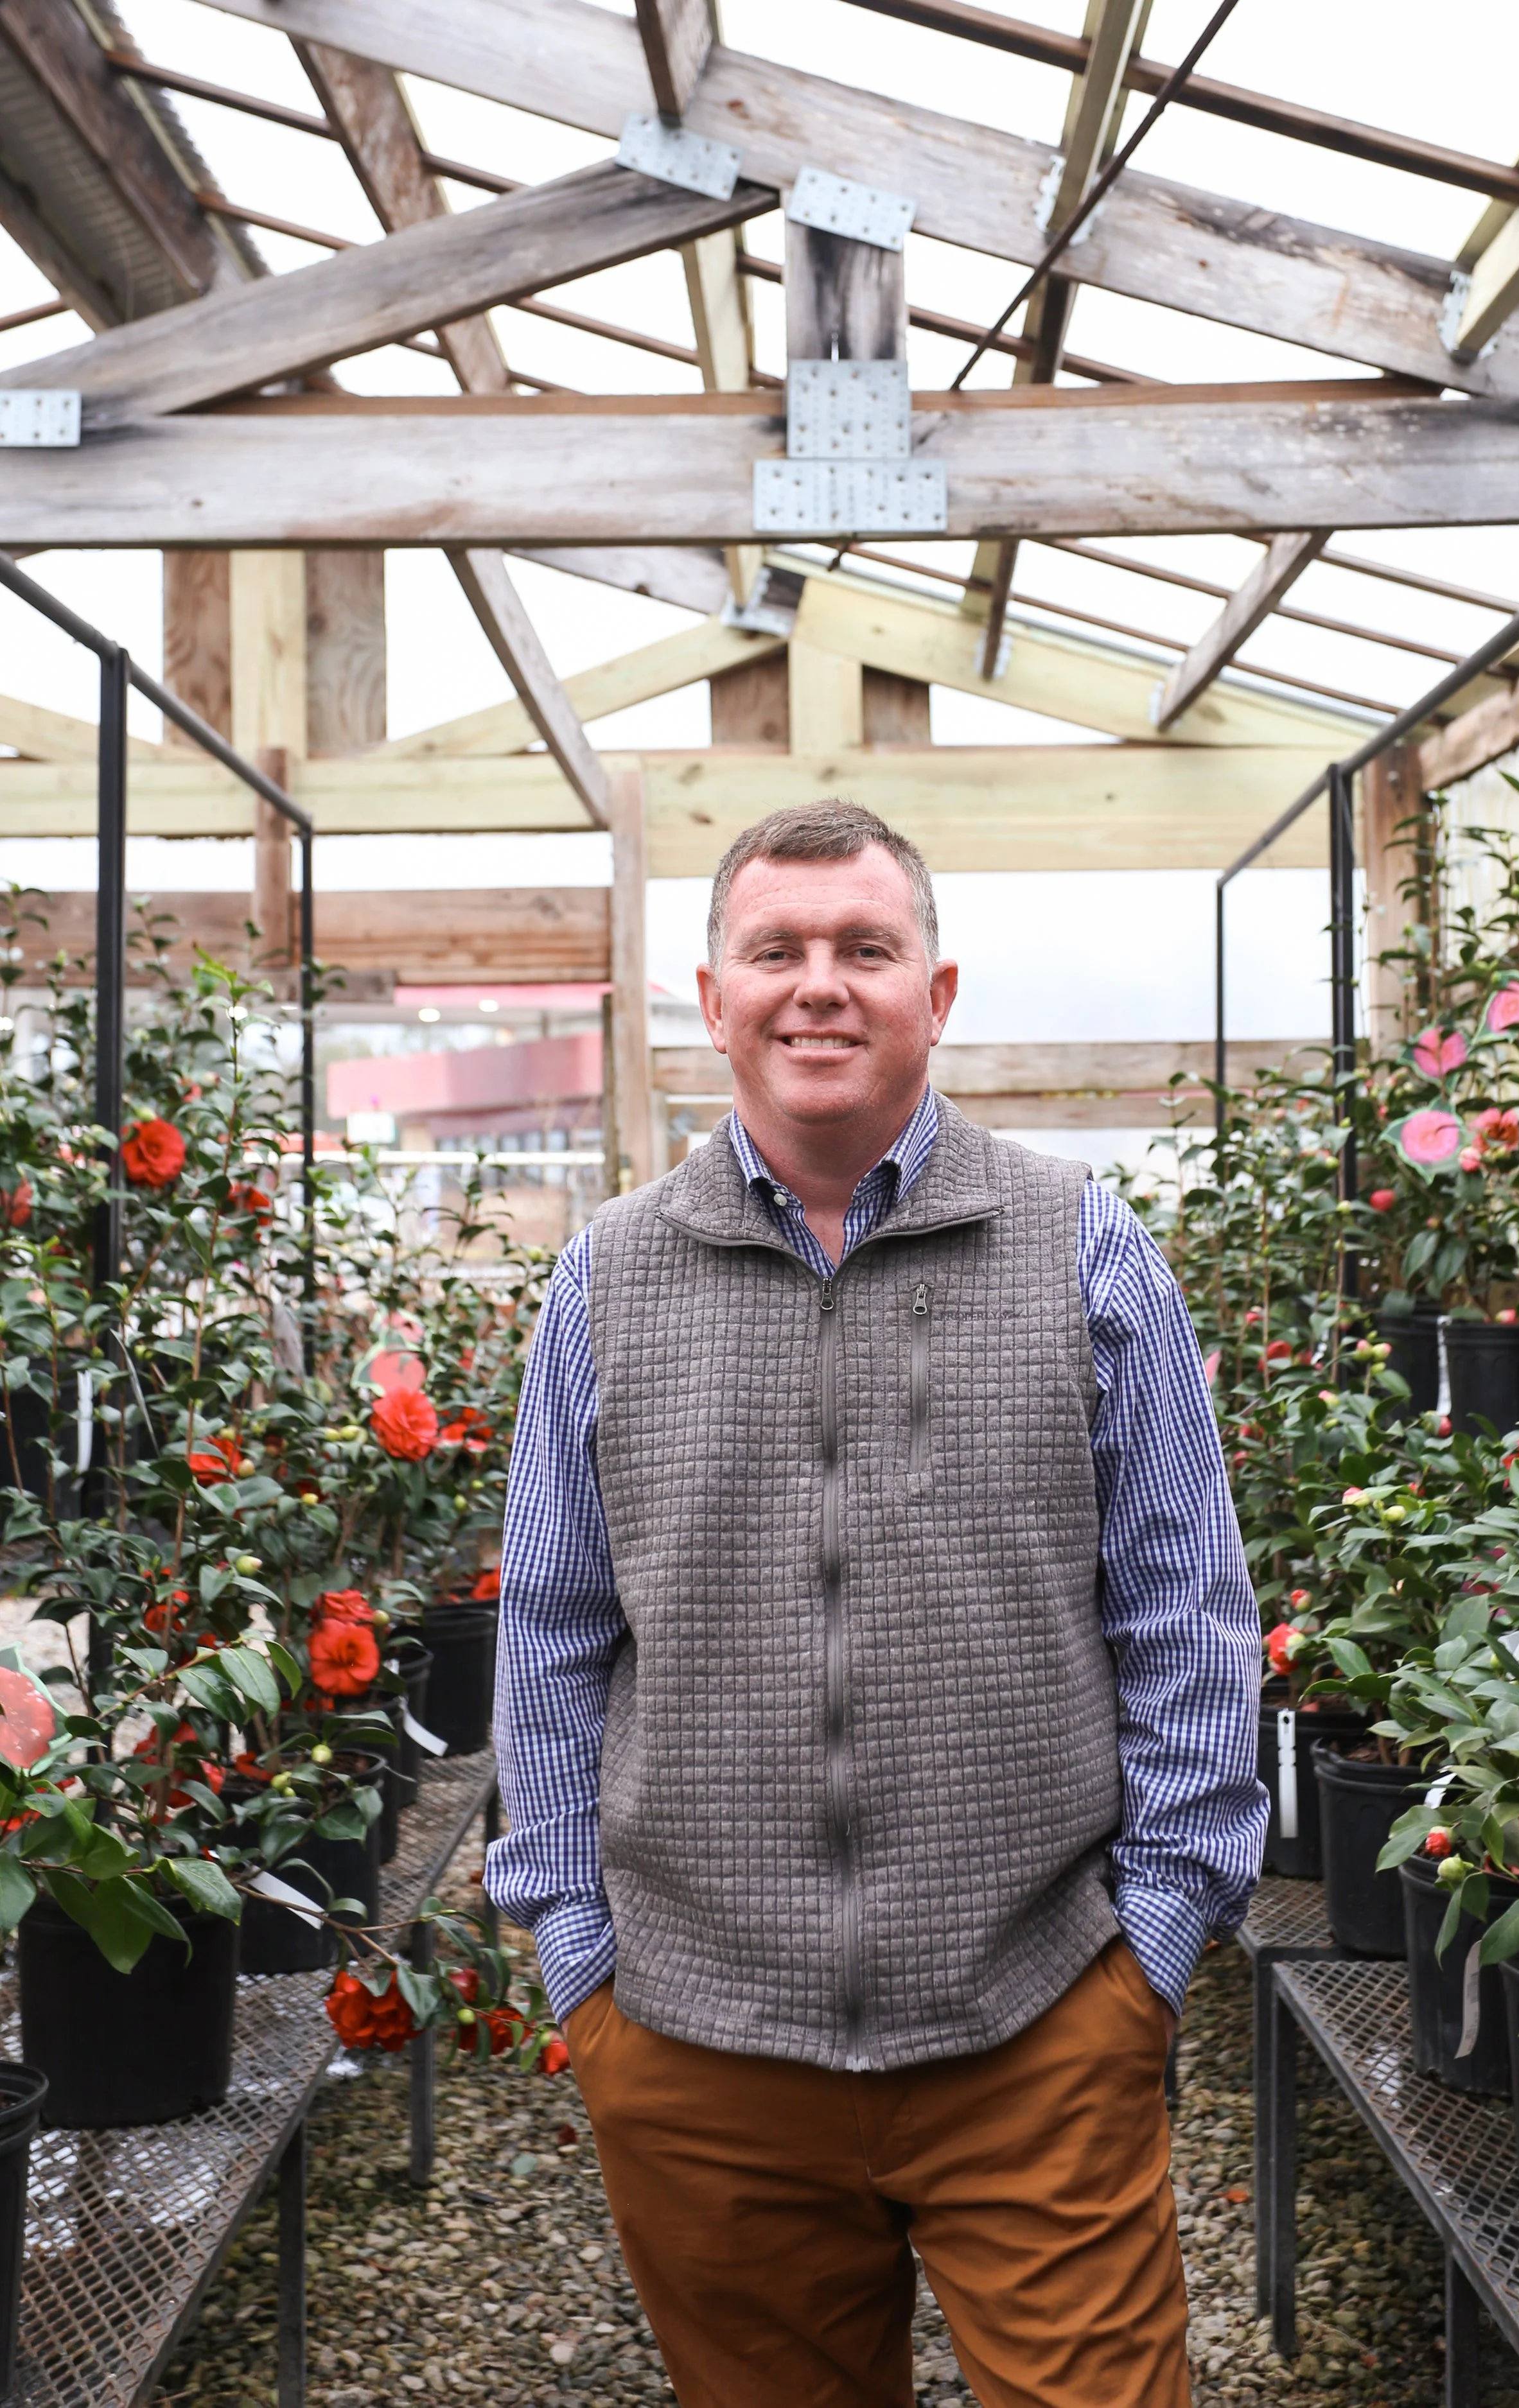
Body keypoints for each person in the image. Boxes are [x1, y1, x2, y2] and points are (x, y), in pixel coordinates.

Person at [486, 799, 1266, 2408]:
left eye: (864, 947)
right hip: (701, 2049)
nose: (817, 985)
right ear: (712, 1000)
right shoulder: (608, 1277)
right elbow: (552, 1631)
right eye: (773, 951)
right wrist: (579, 1957)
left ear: (938, 990)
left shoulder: (1079, 1248)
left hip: (1032, 2028)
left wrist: (1152, 1954)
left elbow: (1185, 1615)